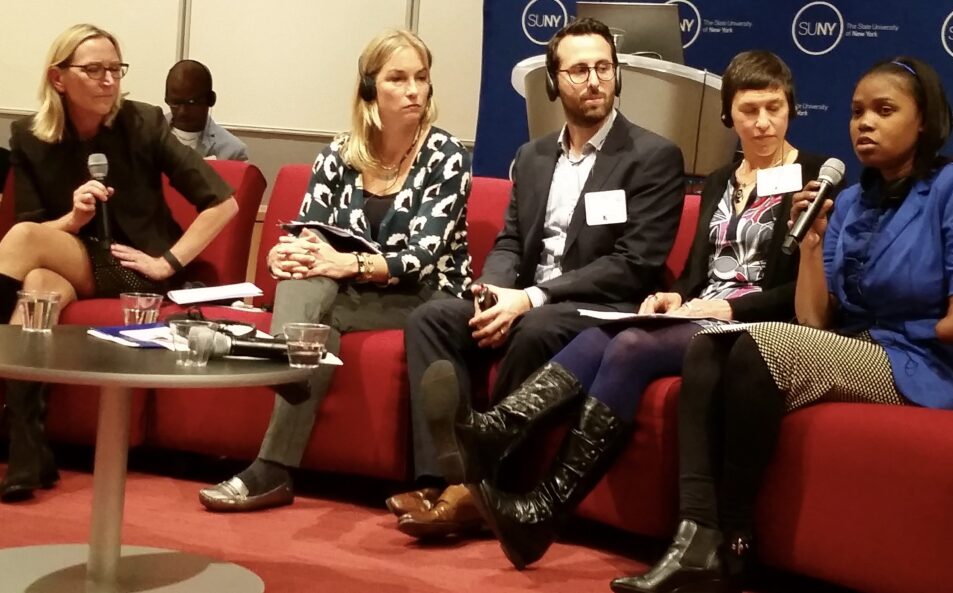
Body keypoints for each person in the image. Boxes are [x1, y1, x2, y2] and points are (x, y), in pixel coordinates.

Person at [610, 55, 953, 593]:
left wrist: (895, 330)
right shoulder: (851, 202)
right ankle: (696, 534)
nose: (864, 123)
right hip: (862, 350)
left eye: (884, 110)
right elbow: (814, 318)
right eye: (856, 111)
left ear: (924, 120)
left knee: (760, 344)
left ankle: (737, 538)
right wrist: (814, 242)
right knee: (711, 348)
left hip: (934, 366)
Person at [421, 50, 830, 568]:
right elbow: (695, 273)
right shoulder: (722, 181)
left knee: (631, 343)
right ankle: (507, 441)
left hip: (758, 327)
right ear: (729, 116)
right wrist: (674, 296)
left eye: (775, 108)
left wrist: (729, 310)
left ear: (791, 108)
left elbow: (803, 286)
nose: (763, 122)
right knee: (598, 336)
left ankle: (539, 501)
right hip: (698, 313)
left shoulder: (812, 177)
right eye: (750, 110)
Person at [393, 17, 686, 539]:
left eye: (604, 68)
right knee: (432, 317)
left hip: (601, 308)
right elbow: (510, 240)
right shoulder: (531, 158)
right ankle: (441, 475)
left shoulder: (653, 156)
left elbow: (633, 264)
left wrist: (529, 297)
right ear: (554, 82)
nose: (594, 80)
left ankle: (481, 490)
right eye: (578, 70)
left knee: (535, 327)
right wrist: (492, 292)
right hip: (527, 297)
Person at [198, 29, 472, 512]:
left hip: (428, 296)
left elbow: (422, 256)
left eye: (422, 78)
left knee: (311, 306)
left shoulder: (446, 156)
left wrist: (346, 262)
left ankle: (277, 414)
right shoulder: (338, 153)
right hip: (353, 295)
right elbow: (311, 232)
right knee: (308, 303)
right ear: (370, 90)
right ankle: (279, 453)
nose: (414, 90)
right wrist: (283, 254)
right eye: (398, 78)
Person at [0, 24, 239, 502]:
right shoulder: (29, 137)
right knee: (39, 285)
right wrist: (75, 215)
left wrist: (168, 261)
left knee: (23, 242)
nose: (109, 80)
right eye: (94, 70)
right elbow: (40, 228)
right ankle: (29, 449)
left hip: (134, 268)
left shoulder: (145, 122)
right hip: (73, 259)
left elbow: (224, 203)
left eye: (115, 69)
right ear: (59, 77)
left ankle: (17, 436)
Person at [164, 59, 249, 161]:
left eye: (191, 103)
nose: (182, 111)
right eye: (176, 102)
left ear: (211, 100)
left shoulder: (232, 152)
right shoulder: (148, 135)